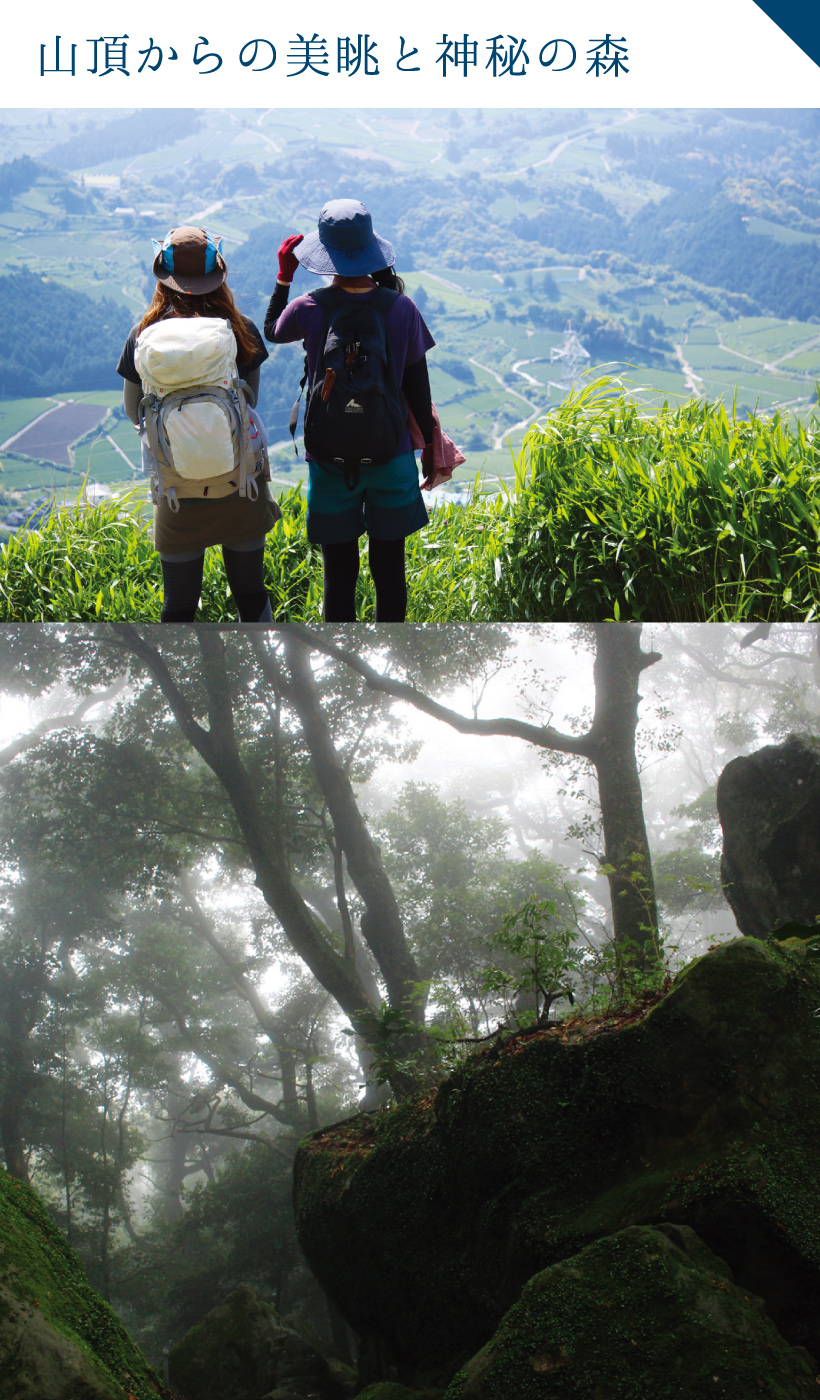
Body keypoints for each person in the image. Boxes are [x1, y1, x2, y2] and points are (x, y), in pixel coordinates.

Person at [264, 199, 435, 622]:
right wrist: (429, 448)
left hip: (329, 458)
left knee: (338, 576)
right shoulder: (401, 307)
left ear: (327, 254)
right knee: (390, 571)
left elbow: (272, 331)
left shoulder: (308, 307)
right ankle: (388, 668)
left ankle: (344, 671)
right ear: (371, 249)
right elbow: (417, 387)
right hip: (391, 455)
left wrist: (284, 277)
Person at [117, 225, 281, 623]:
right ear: (218, 276)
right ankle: (270, 682)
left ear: (163, 278)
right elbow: (250, 399)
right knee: (250, 591)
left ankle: (180, 685)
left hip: (177, 487)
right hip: (240, 481)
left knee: (179, 602)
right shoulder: (238, 329)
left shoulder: (144, 335)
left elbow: (132, 409)